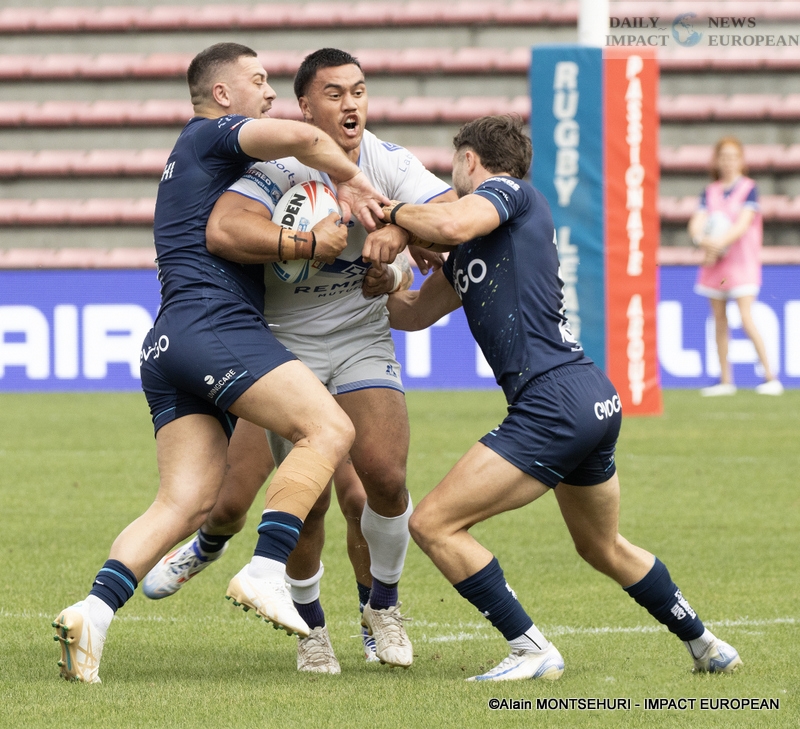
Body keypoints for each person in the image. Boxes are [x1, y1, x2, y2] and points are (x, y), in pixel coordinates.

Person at [52, 42, 390, 684]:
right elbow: (302, 136)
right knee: (329, 428)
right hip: (215, 324)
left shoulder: (192, 155)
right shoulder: (213, 133)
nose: (270, 91)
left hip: (168, 341)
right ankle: (266, 568)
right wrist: (351, 181)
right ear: (222, 94)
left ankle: (91, 613)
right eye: (258, 80)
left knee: (183, 502)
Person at [379, 115, 742, 681]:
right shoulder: (474, 247)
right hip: (587, 397)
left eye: (454, 167)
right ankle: (706, 644)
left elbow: (448, 220)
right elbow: (413, 314)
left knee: (432, 523)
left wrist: (390, 214)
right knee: (601, 546)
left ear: (470, 160)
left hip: (552, 401)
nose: (451, 179)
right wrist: (379, 283)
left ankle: (530, 649)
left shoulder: (510, 193)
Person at [140, 48, 455, 673]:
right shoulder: (275, 167)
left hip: (361, 337)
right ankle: (300, 618)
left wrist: (397, 231)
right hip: (284, 346)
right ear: (305, 108)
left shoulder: (390, 162)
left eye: (359, 91)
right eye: (335, 94)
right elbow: (223, 231)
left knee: (381, 482)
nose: (351, 104)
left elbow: (451, 214)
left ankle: (382, 608)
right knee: (266, 503)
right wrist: (305, 243)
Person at [688, 136, 783, 397]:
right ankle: (725, 380)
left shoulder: (749, 189)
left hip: (741, 263)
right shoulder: (710, 191)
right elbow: (697, 222)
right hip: (715, 267)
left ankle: (770, 377)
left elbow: (742, 225)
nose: (728, 162)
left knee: (745, 317)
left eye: (733, 157)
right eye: (724, 157)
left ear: (741, 161)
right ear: (717, 161)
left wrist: (715, 245)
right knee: (719, 321)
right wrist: (701, 240)